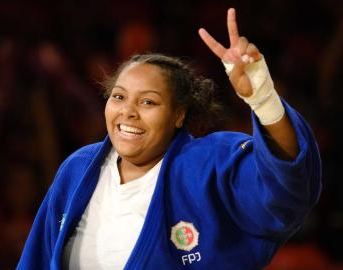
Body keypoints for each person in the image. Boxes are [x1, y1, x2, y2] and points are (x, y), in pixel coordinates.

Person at [17, 8, 321, 269]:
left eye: (148, 102)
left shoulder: (207, 164)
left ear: (179, 114)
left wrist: (263, 98)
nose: (128, 112)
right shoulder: (77, 169)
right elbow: (36, 260)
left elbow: (285, 187)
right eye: (119, 97)